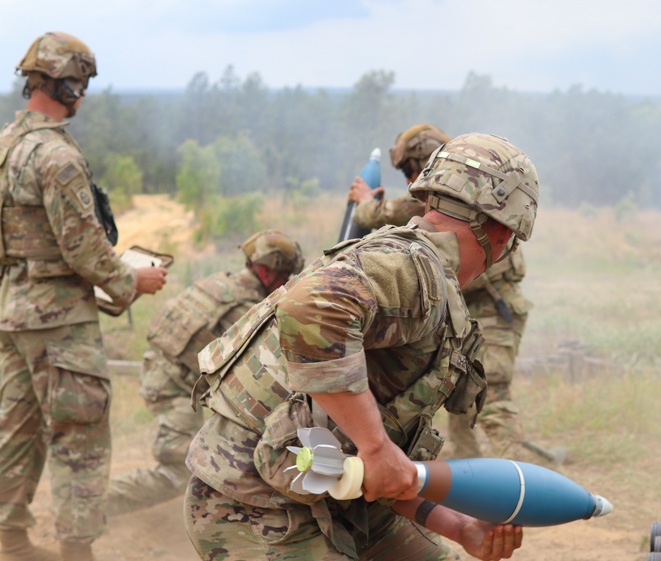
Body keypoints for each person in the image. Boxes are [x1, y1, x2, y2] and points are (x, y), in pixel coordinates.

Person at [184, 132, 539, 560]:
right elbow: (309, 307)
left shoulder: (420, 274)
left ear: (430, 200)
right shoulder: (414, 269)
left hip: (337, 495)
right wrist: (374, 445)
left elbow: (379, 469)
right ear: (503, 233)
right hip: (257, 505)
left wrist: (460, 527)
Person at [0, 32, 168, 561]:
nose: (85, 94)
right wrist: (131, 281)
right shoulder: (57, 157)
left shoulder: (5, 147)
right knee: (80, 436)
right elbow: (83, 249)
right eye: (83, 83)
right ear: (66, 82)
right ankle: (77, 552)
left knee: (16, 430)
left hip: (13, 312)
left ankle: (10, 539)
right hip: (60, 322)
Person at [349, 124, 551, 462]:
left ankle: (520, 482)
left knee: (494, 399)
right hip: (472, 308)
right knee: (460, 397)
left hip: (491, 308)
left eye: (410, 169)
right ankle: (470, 473)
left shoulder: (455, 194)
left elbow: (379, 213)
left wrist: (365, 202)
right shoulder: (465, 189)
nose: (411, 178)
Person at [106, 230, 304, 516]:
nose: (287, 282)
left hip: (165, 373)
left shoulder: (223, 282)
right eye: (285, 274)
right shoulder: (244, 310)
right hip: (173, 386)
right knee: (183, 470)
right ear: (265, 270)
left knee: (211, 454)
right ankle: (97, 502)